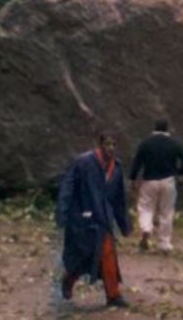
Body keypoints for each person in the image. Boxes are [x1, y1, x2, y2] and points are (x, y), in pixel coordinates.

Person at [56, 132, 132, 308]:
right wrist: (63, 212)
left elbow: (118, 199)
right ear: (100, 145)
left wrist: (124, 224)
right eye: (108, 144)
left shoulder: (116, 168)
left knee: (107, 254)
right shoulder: (83, 162)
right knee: (81, 256)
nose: (111, 148)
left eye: (114, 145)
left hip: (103, 220)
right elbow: (68, 186)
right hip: (82, 218)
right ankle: (68, 279)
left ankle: (113, 295)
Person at [129, 119, 183, 252]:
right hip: (168, 180)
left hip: (149, 180)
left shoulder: (146, 143)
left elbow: (137, 162)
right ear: (167, 129)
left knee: (146, 207)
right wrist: (179, 172)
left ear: (155, 128)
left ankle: (146, 229)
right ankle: (164, 243)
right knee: (166, 211)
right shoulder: (173, 143)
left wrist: (133, 179)